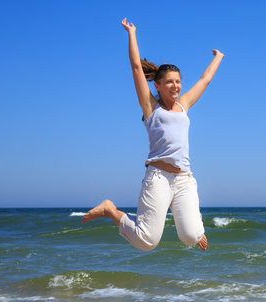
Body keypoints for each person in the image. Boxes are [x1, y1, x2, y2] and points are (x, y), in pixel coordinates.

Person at [82, 18, 224, 252]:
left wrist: (218, 57)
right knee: (147, 242)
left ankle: (194, 229)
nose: (176, 86)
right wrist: (132, 33)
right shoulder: (150, 107)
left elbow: (204, 81)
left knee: (190, 237)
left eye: (178, 81)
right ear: (157, 86)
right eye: (169, 82)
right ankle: (111, 210)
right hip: (158, 177)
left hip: (184, 179)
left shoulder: (183, 105)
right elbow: (137, 67)